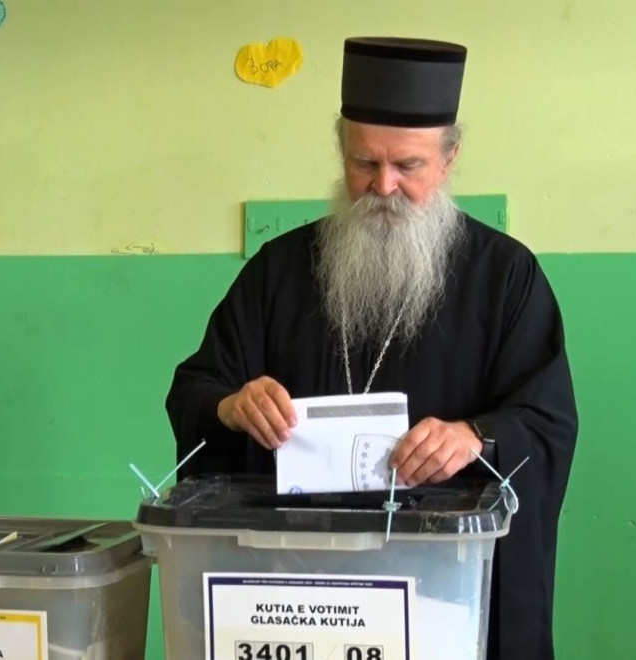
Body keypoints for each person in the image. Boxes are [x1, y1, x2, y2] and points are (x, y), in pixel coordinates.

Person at [165, 36, 578, 660]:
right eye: (364, 162)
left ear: (449, 158)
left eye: (407, 166)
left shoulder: (505, 277)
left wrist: (476, 436)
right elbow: (198, 388)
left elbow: (546, 422)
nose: (382, 186)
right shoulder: (280, 270)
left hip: (446, 600)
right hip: (296, 599)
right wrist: (231, 407)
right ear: (341, 150)